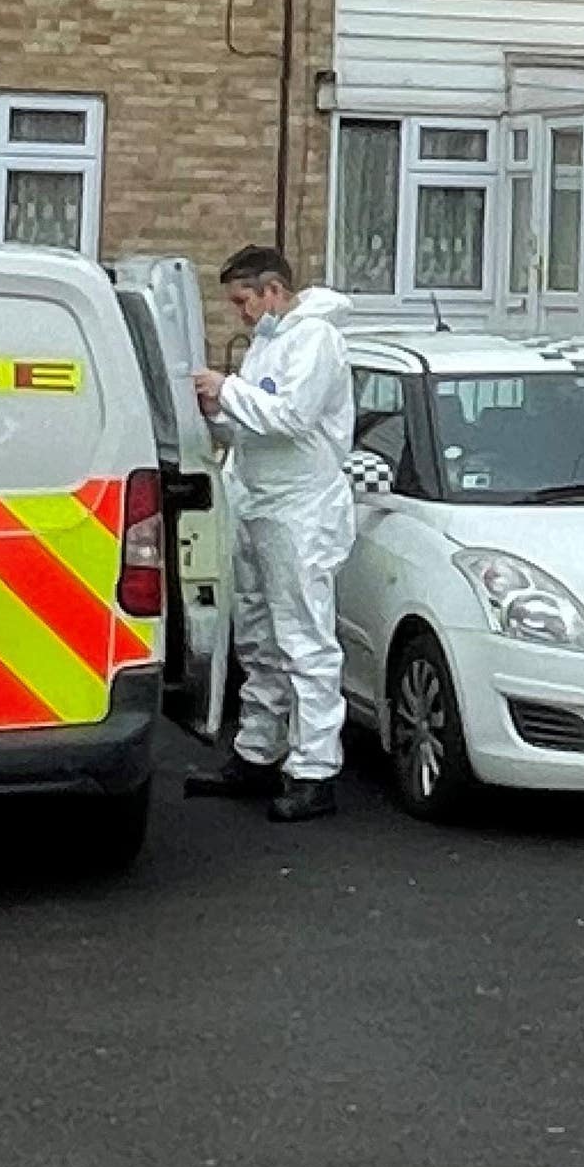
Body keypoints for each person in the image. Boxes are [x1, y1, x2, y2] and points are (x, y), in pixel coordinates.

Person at [186, 244, 356, 821]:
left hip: (301, 510)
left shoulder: (315, 339)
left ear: (273, 291)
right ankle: (258, 751)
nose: (239, 313)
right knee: (259, 638)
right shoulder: (270, 340)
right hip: (260, 501)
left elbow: (292, 416)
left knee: (304, 640)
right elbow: (254, 421)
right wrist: (219, 411)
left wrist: (226, 390)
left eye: (243, 301)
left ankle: (315, 770)